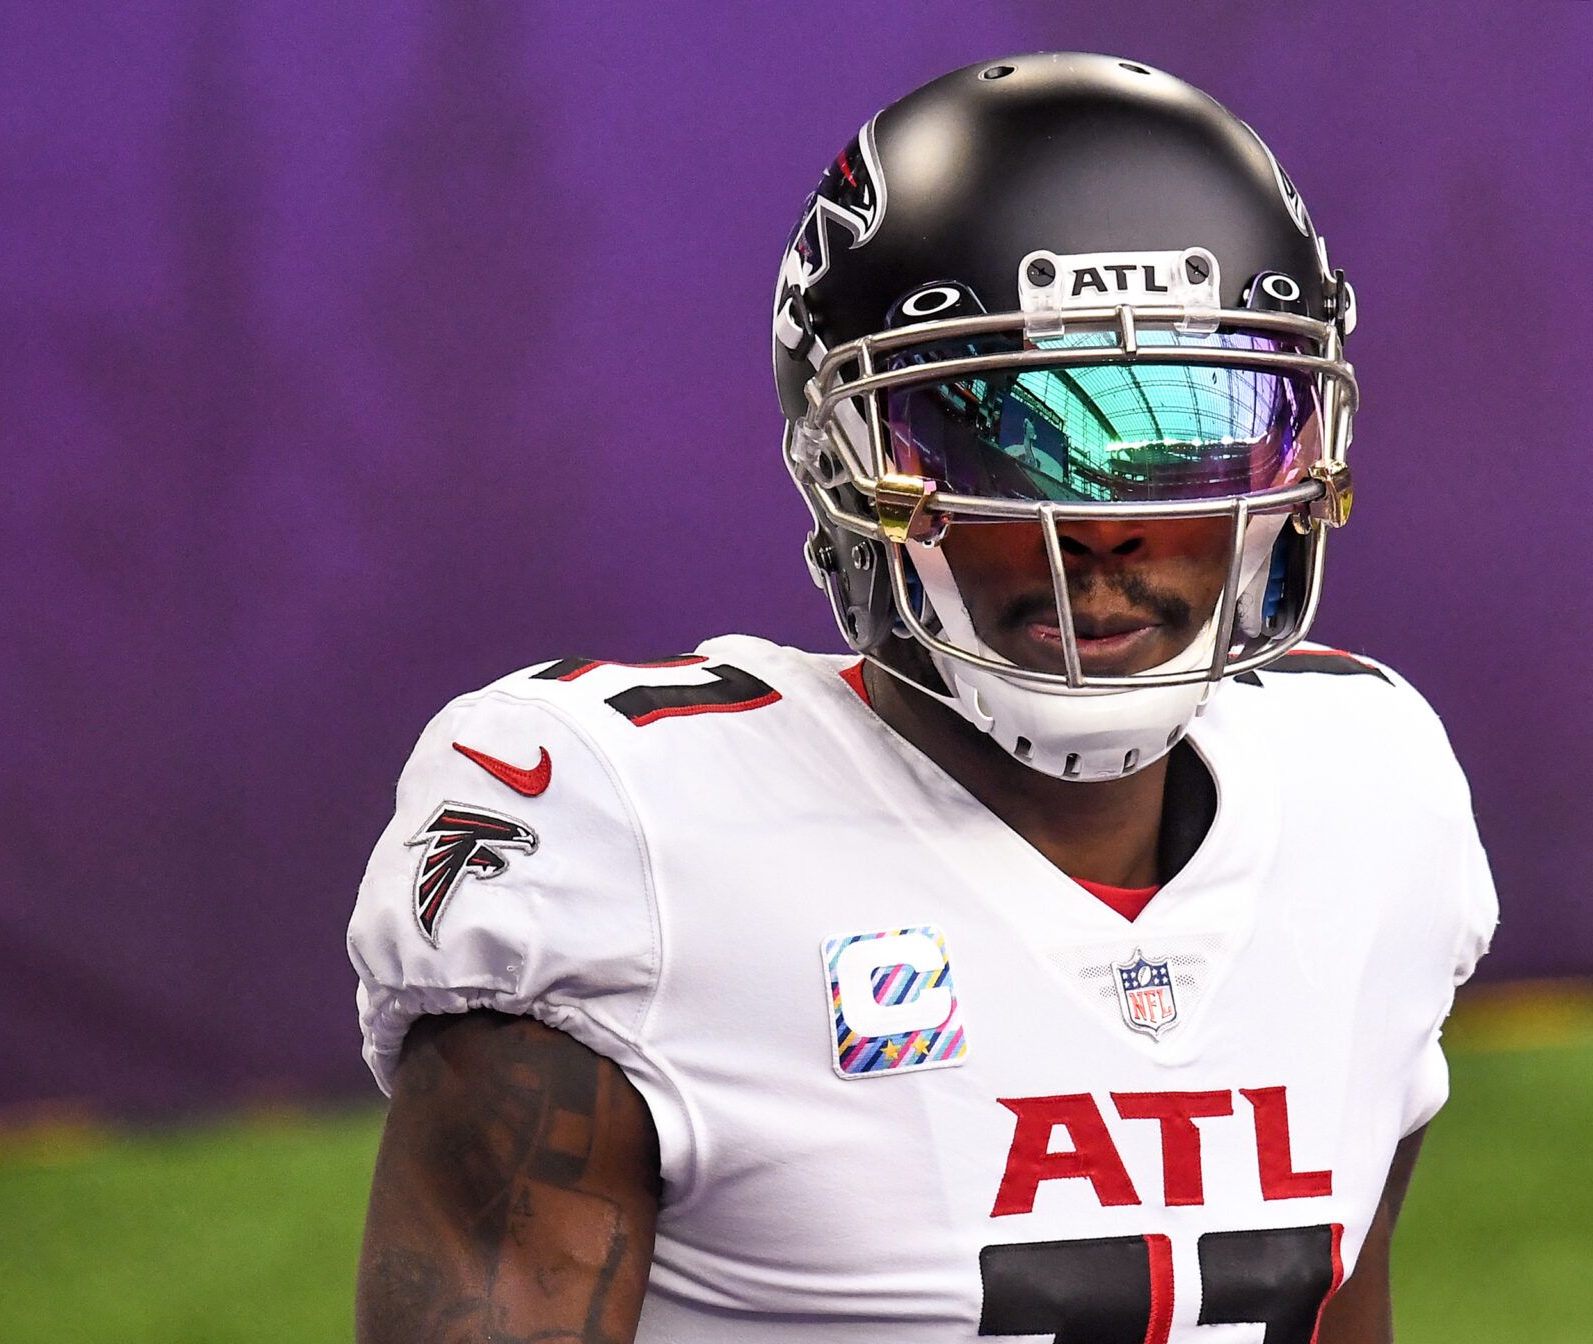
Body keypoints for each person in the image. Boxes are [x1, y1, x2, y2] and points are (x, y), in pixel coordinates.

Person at [347, 51, 1497, 1343]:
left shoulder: (1370, 791)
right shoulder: (635, 847)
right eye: (1002, 429)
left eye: (1195, 427)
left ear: (1302, 457)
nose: (1106, 524)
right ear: (848, 469)